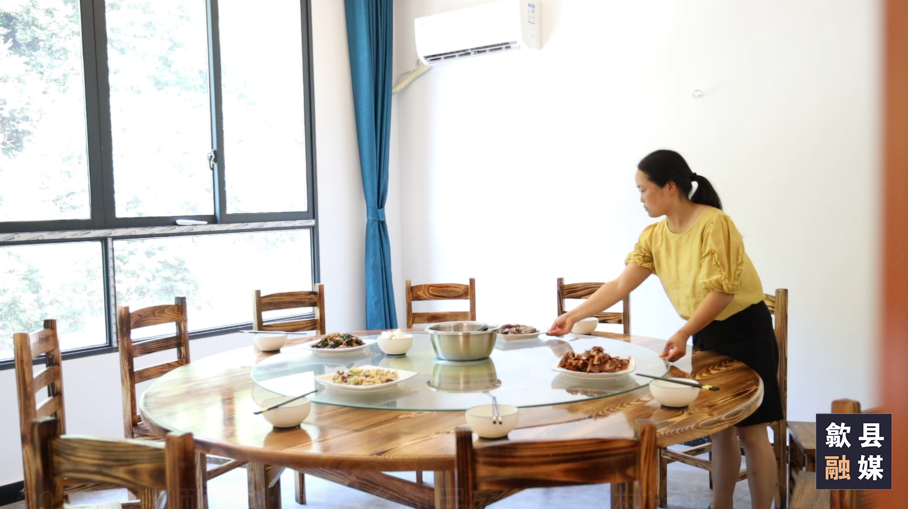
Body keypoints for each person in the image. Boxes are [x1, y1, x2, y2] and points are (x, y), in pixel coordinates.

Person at [548, 149, 783, 509]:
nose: (641, 198)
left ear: (670, 186)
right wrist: (572, 315)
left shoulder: (715, 223)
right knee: (719, 428)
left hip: (746, 331)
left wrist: (684, 332)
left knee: (752, 432)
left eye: (644, 189)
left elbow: (723, 292)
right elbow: (620, 285)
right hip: (708, 334)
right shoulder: (655, 235)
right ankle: (720, 505)